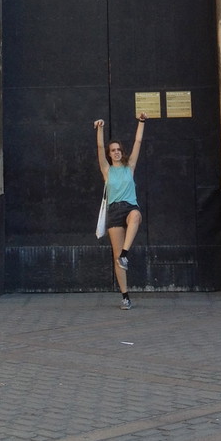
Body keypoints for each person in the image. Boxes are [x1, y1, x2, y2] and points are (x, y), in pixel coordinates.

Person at [93, 113, 147, 309]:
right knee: (117, 258)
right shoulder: (107, 170)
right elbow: (100, 147)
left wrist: (141, 121)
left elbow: (138, 141)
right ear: (109, 154)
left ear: (122, 152)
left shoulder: (129, 166)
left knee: (136, 216)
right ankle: (125, 296)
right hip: (114, 211)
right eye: (113, 150)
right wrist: (100, 128)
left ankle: (126, 252)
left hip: (130, 207)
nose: (116, 152)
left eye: (118, 150)